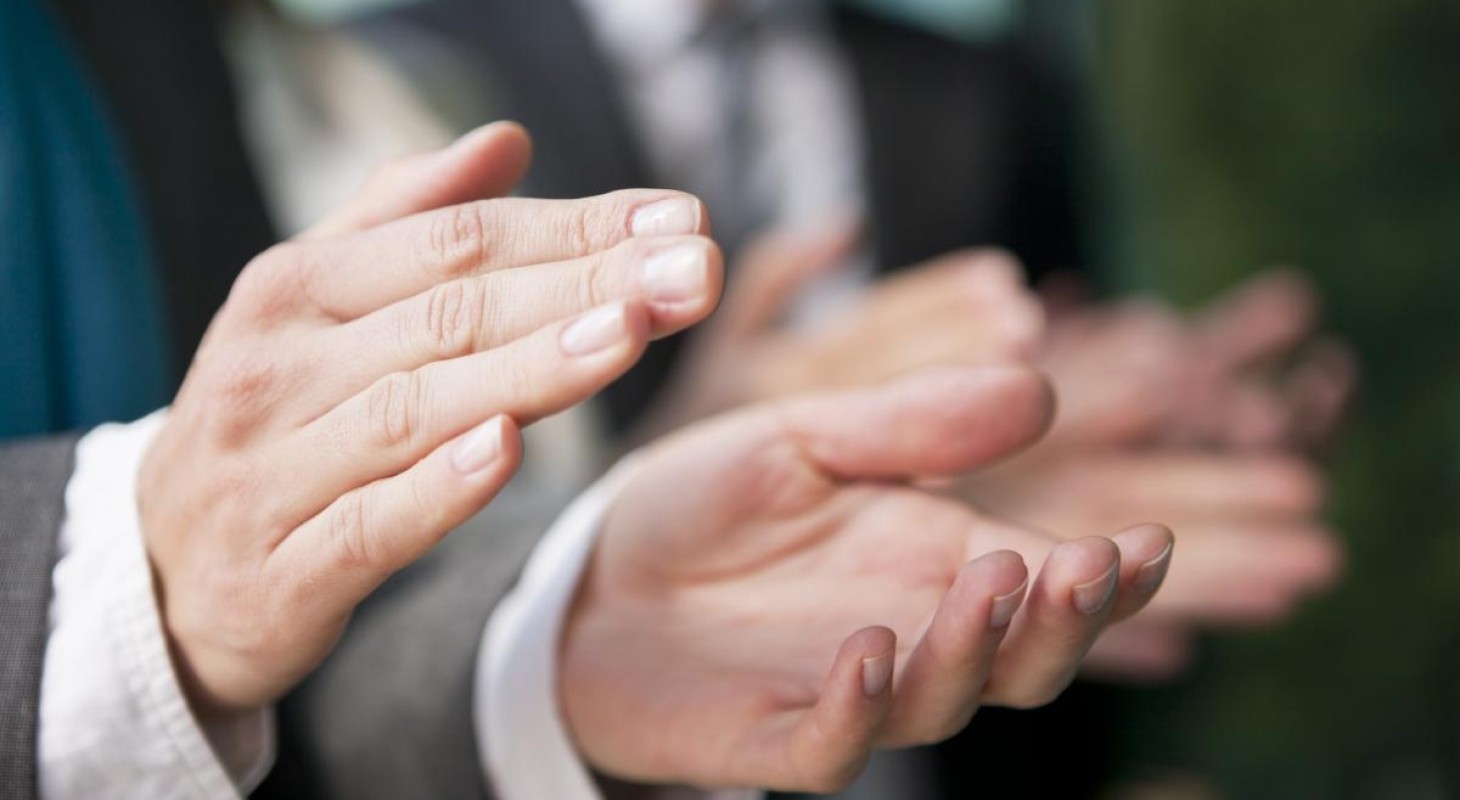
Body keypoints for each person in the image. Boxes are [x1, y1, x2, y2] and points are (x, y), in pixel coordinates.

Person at [1, 3, 1177, 799]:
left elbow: (273, 662)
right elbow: (184, 582)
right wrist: (130, 577)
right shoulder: (405, 53)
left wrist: (555, 617)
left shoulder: (154, 31)